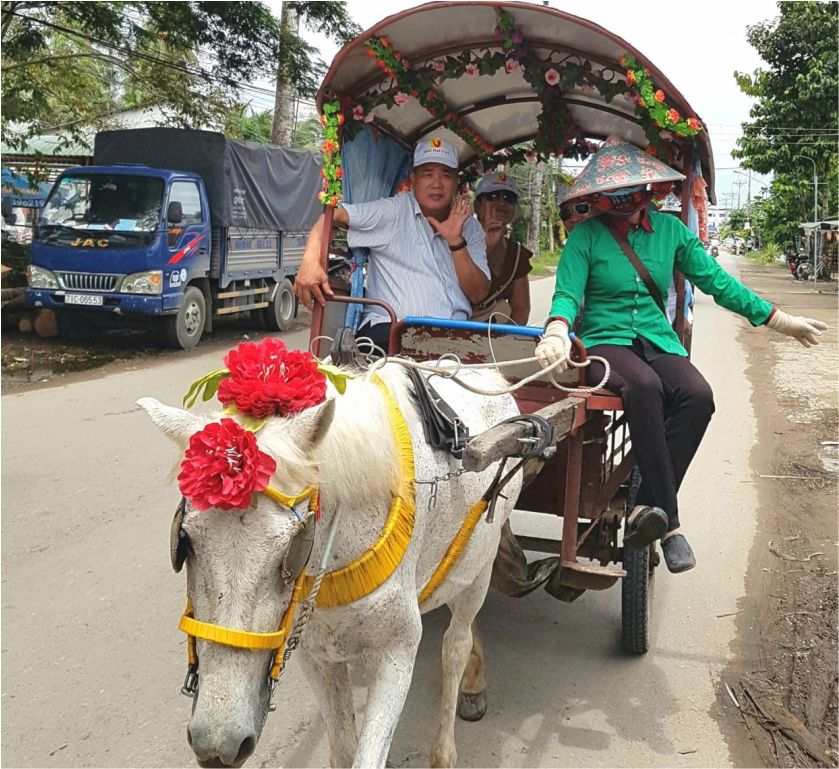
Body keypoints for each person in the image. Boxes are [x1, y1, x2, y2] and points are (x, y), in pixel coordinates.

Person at [535, 141, 828, 574]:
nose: (621, 201)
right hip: (604, 340)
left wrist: (776, 319)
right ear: (597, 198)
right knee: (645, 387)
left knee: (697, 395)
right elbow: (566, 294)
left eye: (630, 191)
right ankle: (669, 524)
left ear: (648, 191)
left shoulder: (672, 233)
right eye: (611, 194)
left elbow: (717, 282)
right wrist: (557, 329)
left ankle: (644, 504)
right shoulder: (585, 237)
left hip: (658, 339)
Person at [294, 137, 490, 352]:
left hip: (456, 339)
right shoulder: (393, 212)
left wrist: (456, 242)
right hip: (394, 334)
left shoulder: (470, 228)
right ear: (413, 179)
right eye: (427, 174)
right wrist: (310, 260)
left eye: (446, 174)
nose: (437, 183)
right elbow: (332, 217)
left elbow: (478, 294)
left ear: (455, 182)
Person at [471, 172, 532, 325]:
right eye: (492, 197)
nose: (501, 203)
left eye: (508, 199)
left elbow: (521, 309)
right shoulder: (458, 240)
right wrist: (486, 246)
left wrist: (506, 344)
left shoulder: (517, 254)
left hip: (494, 338)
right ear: (477, 205)